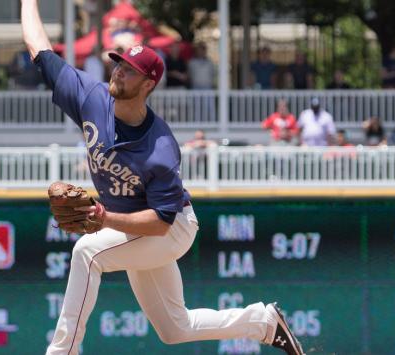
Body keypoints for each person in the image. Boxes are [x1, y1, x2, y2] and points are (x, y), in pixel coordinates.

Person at [20, 1, 305, 355]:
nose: (119, 71)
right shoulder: (91, 99)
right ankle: (262, 322)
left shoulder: (160, 146)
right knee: (175, 328)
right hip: (132, 229)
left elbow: (160, 222)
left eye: (130, 70)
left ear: (148, 84)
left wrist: (104, 218)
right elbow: (40, 50)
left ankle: (62, 352)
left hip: (171, 230)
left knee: (87, 252)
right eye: (120, 63)